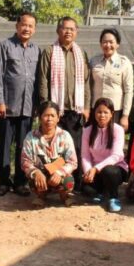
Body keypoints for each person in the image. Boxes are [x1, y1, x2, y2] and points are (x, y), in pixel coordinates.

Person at [0, 12, 41, 196]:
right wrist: (0, 101)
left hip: (27, 107)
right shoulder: (5, 46)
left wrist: (37, 104)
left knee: (23, 145)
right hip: (8, 106)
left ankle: (20, 181)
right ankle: (4, 181)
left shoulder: (36, 50)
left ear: (34, 29)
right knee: (5, 144)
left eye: (31, 26)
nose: (27, 29)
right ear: (17, 26)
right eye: (24, 25)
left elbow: (37, 80)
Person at [37, 17, 90, 189]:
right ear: (58, 31)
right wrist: (46, 107)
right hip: (55, 111)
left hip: (75, 110)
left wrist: (86, 106)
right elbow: (43, 80)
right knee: (54, 149)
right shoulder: (50, 51)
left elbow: (86, 82)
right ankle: (55, 184)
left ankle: (74, 184)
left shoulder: (81, 53)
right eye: (65, 28)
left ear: (76, 32)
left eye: (72, 29)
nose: (68, 32)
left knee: (74, 148)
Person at [21, 101, 78, 208]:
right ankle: (41, 196)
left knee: (68, 181)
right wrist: (36, 172)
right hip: (41, 174)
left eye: (52, 116)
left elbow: (72, 162)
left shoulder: (65, 136)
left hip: (59, 176)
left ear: (58, 118)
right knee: (34, 180)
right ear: (40, 117)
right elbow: (25, 161)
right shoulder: (30, 137)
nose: (49, 119)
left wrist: (59, 173)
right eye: (46, 115)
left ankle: (65, 196)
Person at [81, 97, 129, 213]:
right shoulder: (87, 131)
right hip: (95, 171)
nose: (102, 115)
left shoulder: (118, 130)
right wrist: (88, 171)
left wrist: (96, 168)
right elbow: (85, 155)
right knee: (85, 188)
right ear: (94, 113)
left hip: (115, 169)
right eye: (99, 112)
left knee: (109, 171)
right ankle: (102, 192)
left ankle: (113, 197)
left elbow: (116, 155)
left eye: (105, 112)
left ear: (112, 114)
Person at [89, 28, 134, 131]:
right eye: (104, 42)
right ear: (100, 44)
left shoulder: (124, 62)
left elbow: (129, 91)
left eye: (111, 42)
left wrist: (125, 116)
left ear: (117, 44)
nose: (108, 45)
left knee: (113, 138)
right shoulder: (93, 61)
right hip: (96, 110)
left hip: (115, 111)